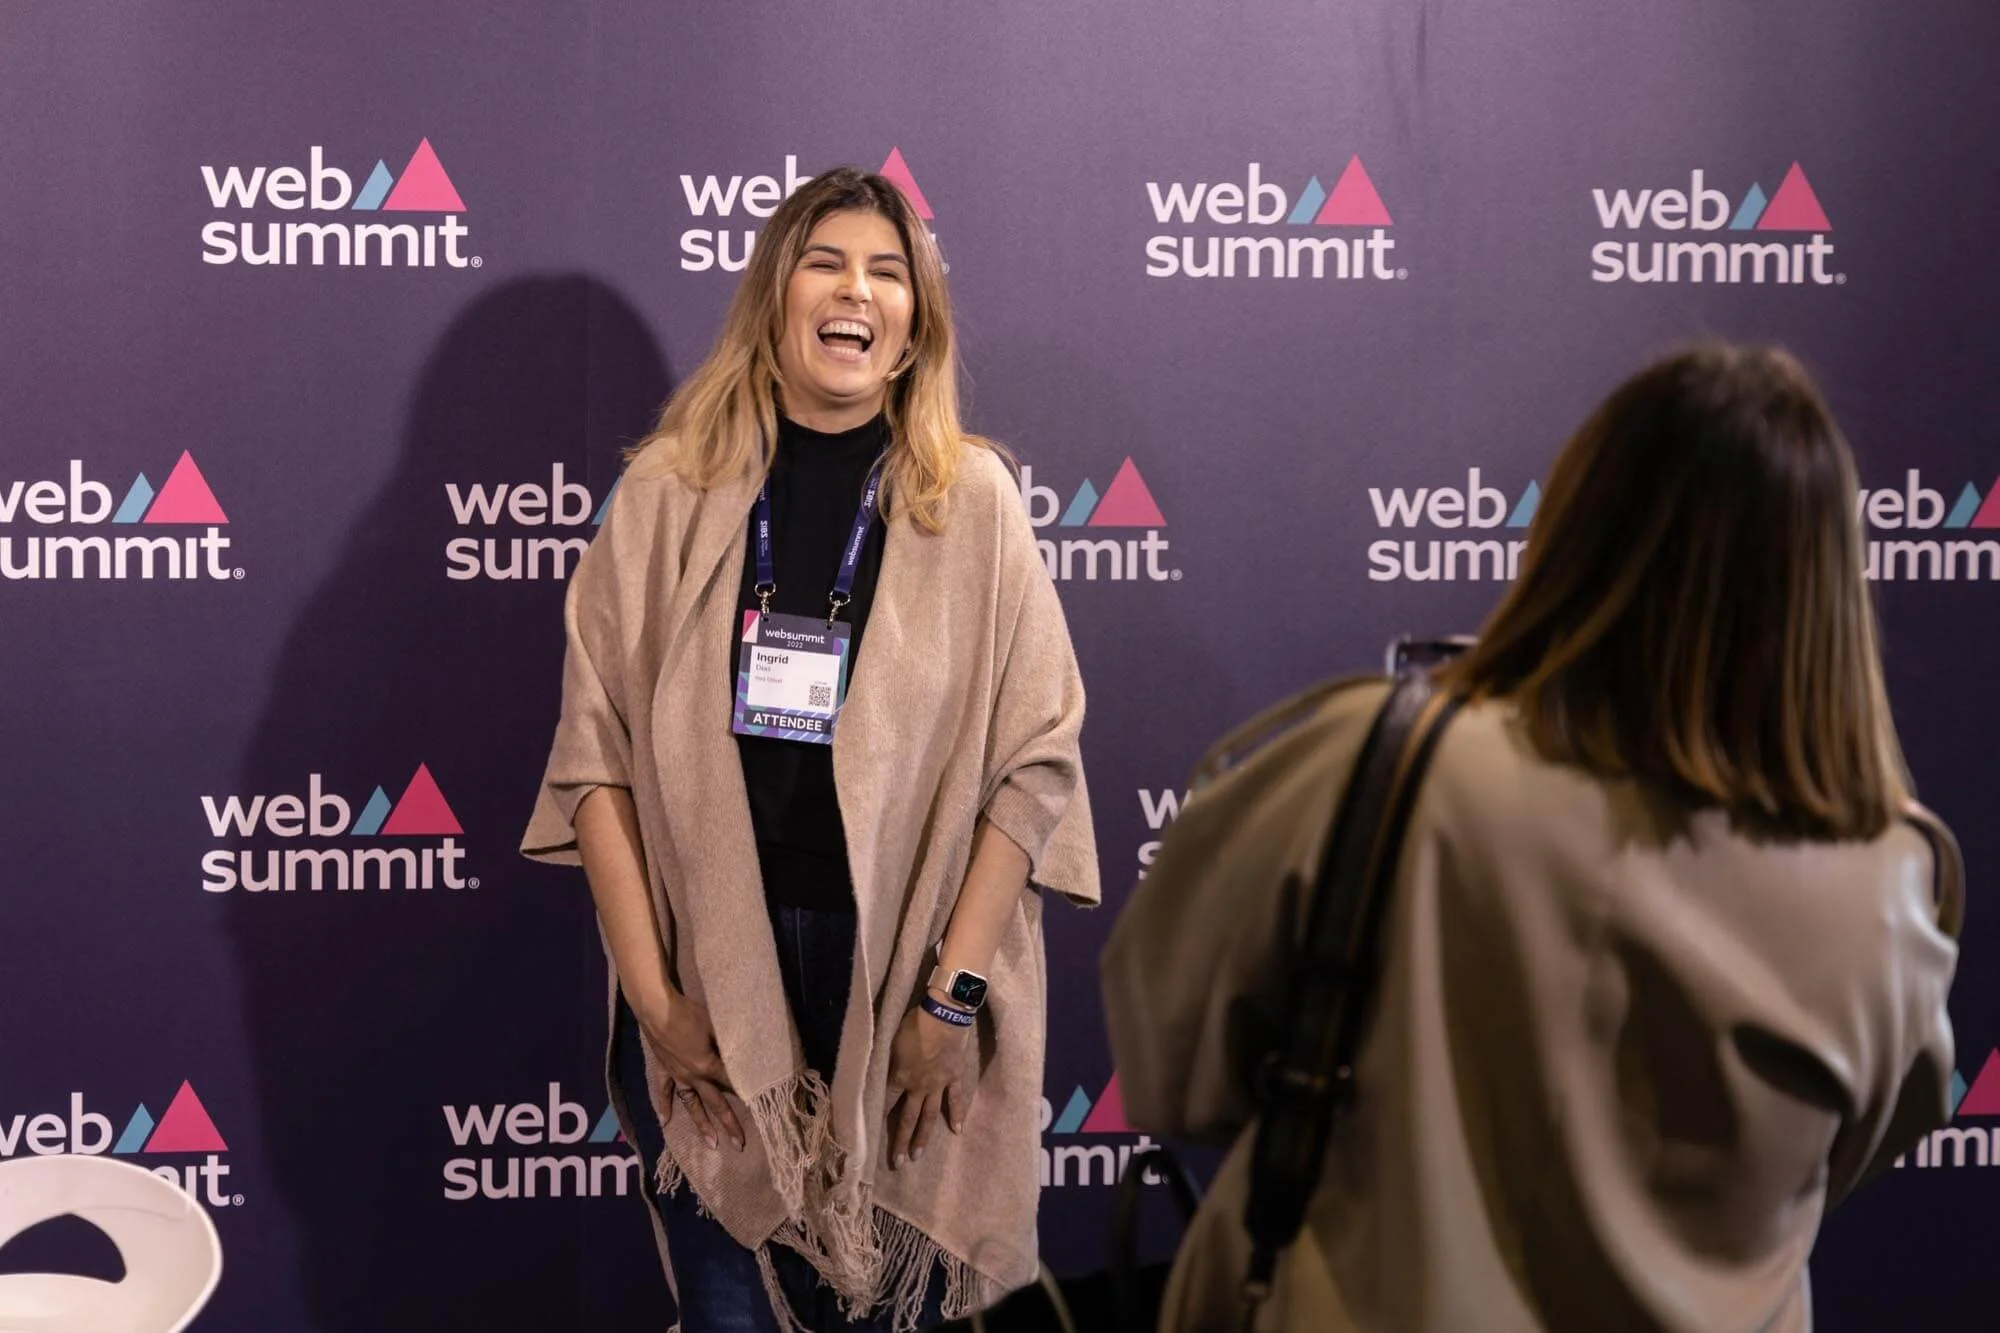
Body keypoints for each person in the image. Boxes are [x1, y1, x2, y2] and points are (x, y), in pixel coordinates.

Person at [1102, 344, 1963, 1333]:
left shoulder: (1384, 760)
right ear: (1827, 591)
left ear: (1576, 529)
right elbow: (1838, 1157)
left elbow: (1169, 1065)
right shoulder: (1895, 882)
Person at [522, 166, 1097, 1332]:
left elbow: (1033, 767)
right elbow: (593, 766)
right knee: (732, 1304)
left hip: (904, 969)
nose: (856, 290)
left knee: (885, 1309)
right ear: (775, 300)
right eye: (825, 263)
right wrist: (657, 1000)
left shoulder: (970, 501)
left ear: (912, 327)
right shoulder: (666, 495)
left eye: (887, 273)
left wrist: (950, 1002)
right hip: (705, 961)